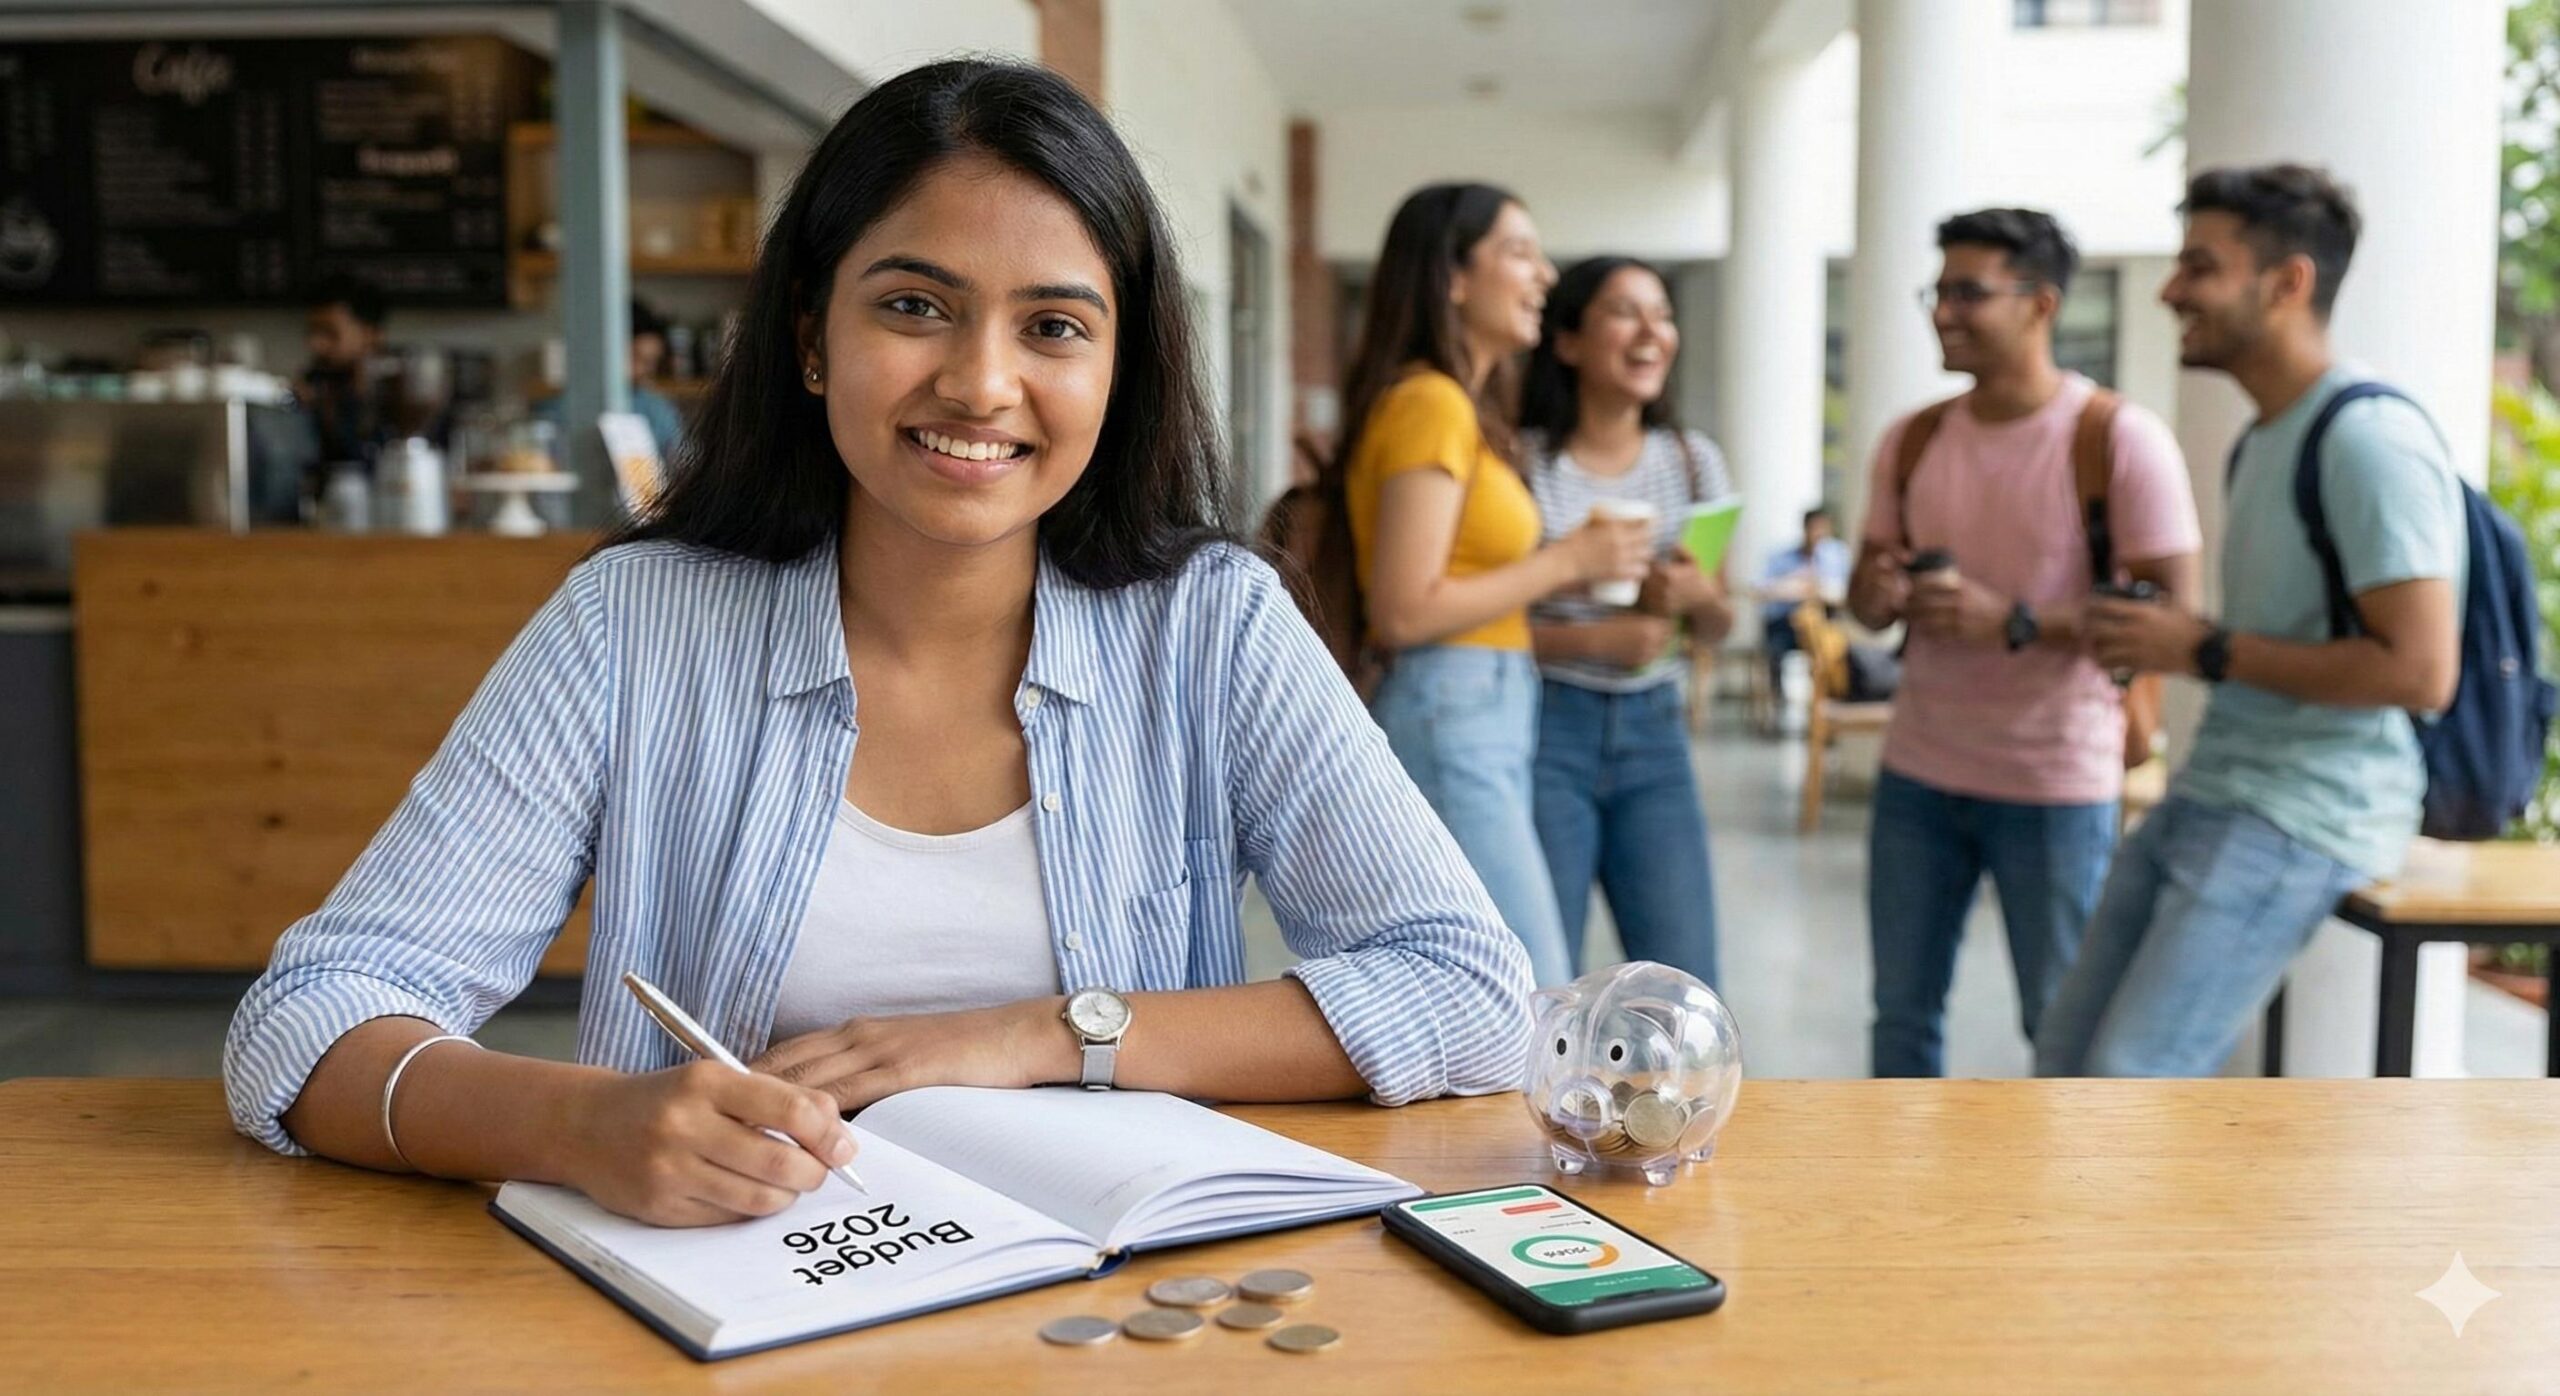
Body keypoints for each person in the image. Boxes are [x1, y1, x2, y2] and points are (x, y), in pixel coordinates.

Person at [222, 60, 1534, 1229]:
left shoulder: (1212, 627)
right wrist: (575, 1125)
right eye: (915, 306)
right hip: (716, 1322)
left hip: (1110, 1330)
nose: (979, 382)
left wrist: (1030, 1038)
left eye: (1055, 327)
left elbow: (1469, 995)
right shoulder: (635, 627)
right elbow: (307, 1021)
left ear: (1121, 369)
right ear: (810, 335)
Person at [2041, 165, 2464, 1077]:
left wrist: (2200, 647)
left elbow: (2423, 672)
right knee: (2064, 1066)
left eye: (2200, 266)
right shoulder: (2268, 436)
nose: (2169, 290)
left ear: (2288, 283)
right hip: (2219, 785)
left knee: (2124, 1084)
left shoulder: (2367, 440)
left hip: (2304, 809)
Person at [1847, 208, 2201, 1078]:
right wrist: (1883, 589)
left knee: (2059, 1026)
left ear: (2042, 303)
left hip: (2057, 782)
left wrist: (2014, 620)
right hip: (1919, 774)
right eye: (1939, 291)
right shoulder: (1913, 438)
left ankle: (2067, 1208)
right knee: (1900, 1020)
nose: (1943, 312)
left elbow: (2175, 621)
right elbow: (1862, 599)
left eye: (1969, 292)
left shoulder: (2116, 438)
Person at [1331, 184, 1651, 987]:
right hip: (1453, 704)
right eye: (1518, 252)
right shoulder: (1431, 402)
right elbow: (1404, 610)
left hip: (1487, 704)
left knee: (1498, 979)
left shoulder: (1461, 407)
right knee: (1533, 984)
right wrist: (1573, 561)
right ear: (1452, 278)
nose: (1544, 274)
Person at [1518, 255, 1734, 987]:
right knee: (1542, 983)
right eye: (1625, 311)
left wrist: (1695, 599)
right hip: (1545, 730)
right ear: (1570, 341)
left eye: (1663, 314)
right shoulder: (1526, 464)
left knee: (1688, 986)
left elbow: (1718, 626)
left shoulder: (1693, 460)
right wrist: (1593, 640)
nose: (1652, 332)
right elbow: (1481, 628)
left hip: (1656, 735)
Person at [537, 298, 690, 462]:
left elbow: (683, 465)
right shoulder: (559, 410)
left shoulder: (659, 411)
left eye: (651, 362)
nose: (644, 370)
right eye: (636, 357)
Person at [297, 274, 396, 467]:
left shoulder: (401, 393)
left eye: (329, 333)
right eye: (312, 332)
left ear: (371, 335)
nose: (315, 344)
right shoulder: (316, 381)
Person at [1758, 507, 1851, 696]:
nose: (1818, 534)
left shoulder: (1837, 555)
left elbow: (1846, 592)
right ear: (1805, 529)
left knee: (1832, 646)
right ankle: (1778, 697)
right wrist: (1790, 584)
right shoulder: (1782, 558)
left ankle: (1830, 692)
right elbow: (1760, 587)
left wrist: (1822, 588)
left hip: (1825, 623)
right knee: (1779, 644)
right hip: (1786, 623)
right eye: (1814, 528)